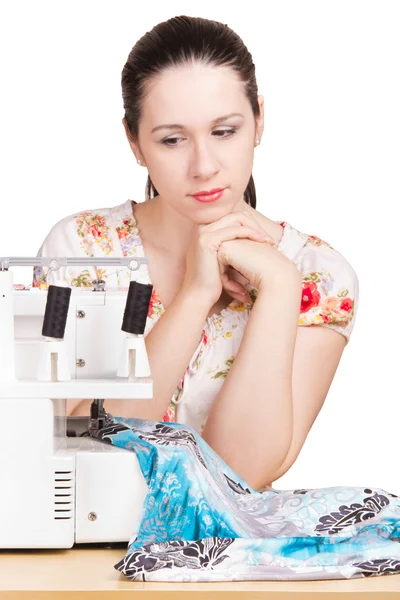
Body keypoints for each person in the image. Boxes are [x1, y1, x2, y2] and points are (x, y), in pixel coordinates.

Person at [33, 15, 359, 492]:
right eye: (172, 139)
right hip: (75, 550)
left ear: (259, 120)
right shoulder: (80, 251)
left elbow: (242, 475)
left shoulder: (319, 277)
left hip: (226, 563)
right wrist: (195, 296)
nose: (204, 166)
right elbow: (80, 448)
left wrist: (281, 288)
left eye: (224, 131)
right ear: (134, 142)